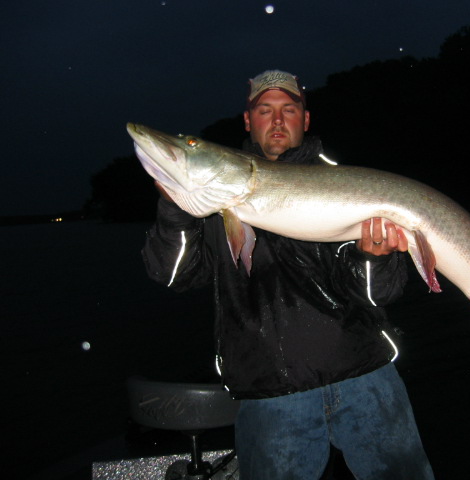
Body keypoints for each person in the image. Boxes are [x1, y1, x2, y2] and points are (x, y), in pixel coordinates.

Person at [142, 69, 435, 479]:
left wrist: (374, 258)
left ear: (305, 119)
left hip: (366, 379)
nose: (277, 120)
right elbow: (173, 275)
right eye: (265, 110)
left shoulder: (345, 182)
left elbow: (378, 295)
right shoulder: (212, 198)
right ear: (248, 121)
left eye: (289, 110)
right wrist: (175, 208)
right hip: (271, 395)